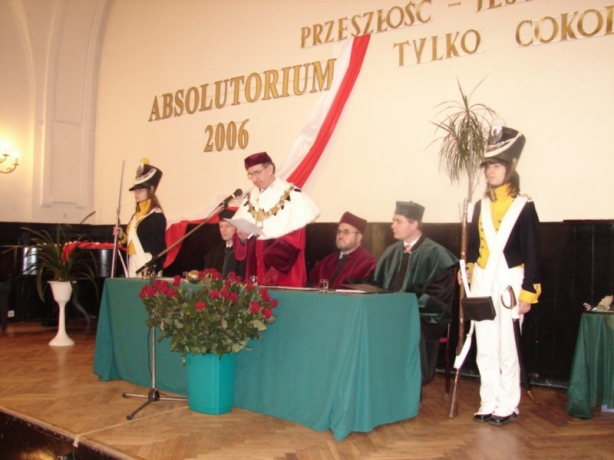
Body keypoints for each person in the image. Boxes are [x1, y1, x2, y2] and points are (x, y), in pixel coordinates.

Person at [467, 125, 541, 426]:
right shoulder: (480, 206)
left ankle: (508, 403)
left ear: (510, 167)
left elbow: (533, 252)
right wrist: (467, 272)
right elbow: (474, 247)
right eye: (488, 166)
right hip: (482, 280)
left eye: (497, 166)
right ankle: (488, 399)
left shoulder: (524, 206)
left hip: (510, 280)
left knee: (508, 345)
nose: (490, 172)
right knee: (484, 343)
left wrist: (528, 292)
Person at [373, 201, 458, 385]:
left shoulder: (436, 254)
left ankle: (410, 384)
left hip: (425, 316)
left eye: (398, 221)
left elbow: (438, 297)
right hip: (390, 313)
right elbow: (377, 284)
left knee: (408, 328)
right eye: (393, 220)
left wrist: (403, 308)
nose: (392, 225)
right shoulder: (391, 252)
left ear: (414, 224)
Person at [232, 152, 319, 287]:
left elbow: (294, 240)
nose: (254, 179)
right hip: (255, 270)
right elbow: (242, 235)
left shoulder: (290, 194)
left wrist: (272, 273)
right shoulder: (250, 197)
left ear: (270, 169)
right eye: (250, 174)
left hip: (282, 272)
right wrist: (242, 237)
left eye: (257, 172)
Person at [114, 158, 166, 277]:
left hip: (147, 262)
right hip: (133, 260)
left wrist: (154, 267)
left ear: (150, 190)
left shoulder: (156, 215)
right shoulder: (135, 216)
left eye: (140, 190)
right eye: (135, 190)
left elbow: (160, 247)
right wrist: (122, 236)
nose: (136, 193)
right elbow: (131, 242)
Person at [308, 211, 376, 289]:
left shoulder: (369, 264)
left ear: (358, 237)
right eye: (339, 231)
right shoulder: (326, 261)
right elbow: (309, 286)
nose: (340, 235)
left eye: (346, 232)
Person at [203, 209, 245, 278]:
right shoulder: (214, 253)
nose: (223, 230)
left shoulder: (243, 252)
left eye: (227, 226)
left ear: (236, 228)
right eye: (221, 226)